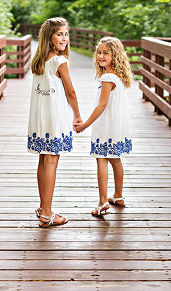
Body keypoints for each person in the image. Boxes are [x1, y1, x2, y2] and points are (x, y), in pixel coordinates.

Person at [27, 17, 82, 227]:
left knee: (43, 159)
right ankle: (47, 212)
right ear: (49, 37)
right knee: (51, 160)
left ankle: (43, 207)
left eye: (66, 34)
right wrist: (77, 115)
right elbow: (71, 92)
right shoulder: (60, 61)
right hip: (54, 117)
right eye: (59, 34)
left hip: (40, 118)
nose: (64, 38)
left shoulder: (39, 60)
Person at [74, 37, 133, 217]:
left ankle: (102, 202)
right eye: (99, 52)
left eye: (106, 53)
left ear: (115, 55)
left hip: (106, 126)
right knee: (115, 159)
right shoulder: (119, 75)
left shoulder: (107, 77)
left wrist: (85, 124)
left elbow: (102, 105)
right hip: (118, 126)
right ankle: (118, 196)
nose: (100, 56)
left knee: (101, 159)